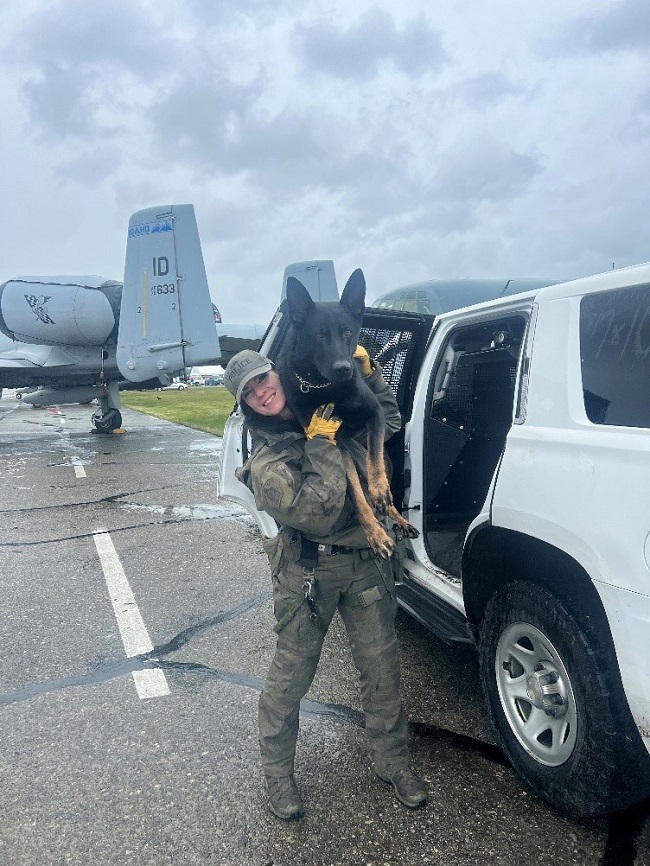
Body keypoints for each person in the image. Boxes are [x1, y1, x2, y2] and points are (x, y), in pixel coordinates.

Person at [224, 347, 427, 820]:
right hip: (309, 574)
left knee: (382, 670)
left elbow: (388, 421)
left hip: (366, 560)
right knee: (290, 679)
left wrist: (368, 376)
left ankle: (392, 761)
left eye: (263, 378)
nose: (262, 392)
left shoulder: (327, 406)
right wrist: (319, 443)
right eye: (249, 391)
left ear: (278, 371)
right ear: (246, 403)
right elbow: (317, 511)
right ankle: (278, 777)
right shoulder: (267, 460)